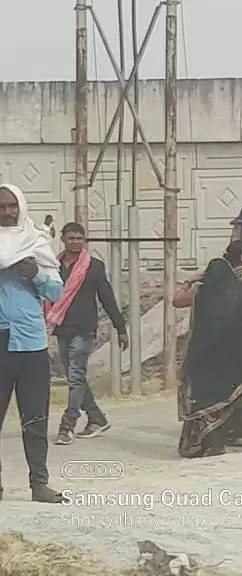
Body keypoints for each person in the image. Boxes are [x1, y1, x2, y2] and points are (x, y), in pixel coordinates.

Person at [0, 183, 67, 503]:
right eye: (1, 206)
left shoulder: (35, 242)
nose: (7, 212)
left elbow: (56, 293)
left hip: (30, 345)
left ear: (21, 207)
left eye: (12, 205)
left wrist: (35, 274)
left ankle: (39, 483)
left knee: (35, 420)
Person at [175, 240, 242, 458]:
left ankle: (204, 442)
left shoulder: (201, 294)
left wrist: (189, 280)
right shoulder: (239, 296)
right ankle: (225, 437)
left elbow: (176, 300)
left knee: (202, 399)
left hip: (202, 357)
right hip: (232, 358)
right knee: (228, 396)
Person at [48, 222, 127, 446]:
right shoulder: (53, 266)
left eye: (79, 238)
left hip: (84, 329)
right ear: (62, 239)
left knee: (74, 377)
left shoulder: (93, 266)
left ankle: (68, 425)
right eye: (71, 238)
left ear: (85, 240)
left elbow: (107, 297)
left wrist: (120, 327)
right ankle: (96, 418)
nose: (75, 242)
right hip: (62, 328)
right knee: (76, 378)